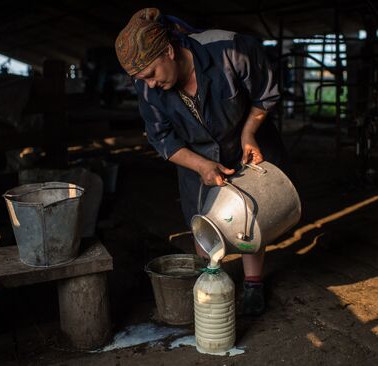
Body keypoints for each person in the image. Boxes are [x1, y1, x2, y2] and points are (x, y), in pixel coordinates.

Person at [115, 8, 292, 316]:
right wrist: (200, 166)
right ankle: (211, 284)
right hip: (197, 156)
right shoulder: (146, 85)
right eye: (142, 79)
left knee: (250, 215)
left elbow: (265, 95)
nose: (150, 85)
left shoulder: (230, 49)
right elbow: (162, 138)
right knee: (203, 221)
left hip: (243, 143)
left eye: (152, 74)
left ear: (169, 51)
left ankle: (253, 284)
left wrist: (249, 133)